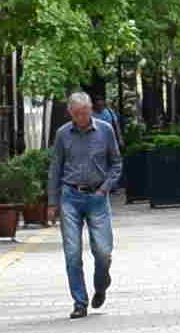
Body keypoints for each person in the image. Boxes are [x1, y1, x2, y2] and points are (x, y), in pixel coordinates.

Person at [45, 89, 125, 317]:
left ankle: (101, 285)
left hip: (97, 197)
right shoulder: (63, 134)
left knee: (103, 252)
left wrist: (105, 188)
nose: (81, 118)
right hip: (70, 196)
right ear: (70, 113)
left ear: (90, 110)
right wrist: (52, 202)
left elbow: (116, 163)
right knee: (72, 252)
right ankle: (79, 302)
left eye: (85, 112)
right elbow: (55, 168)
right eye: (77, 114)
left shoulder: (105, 130)